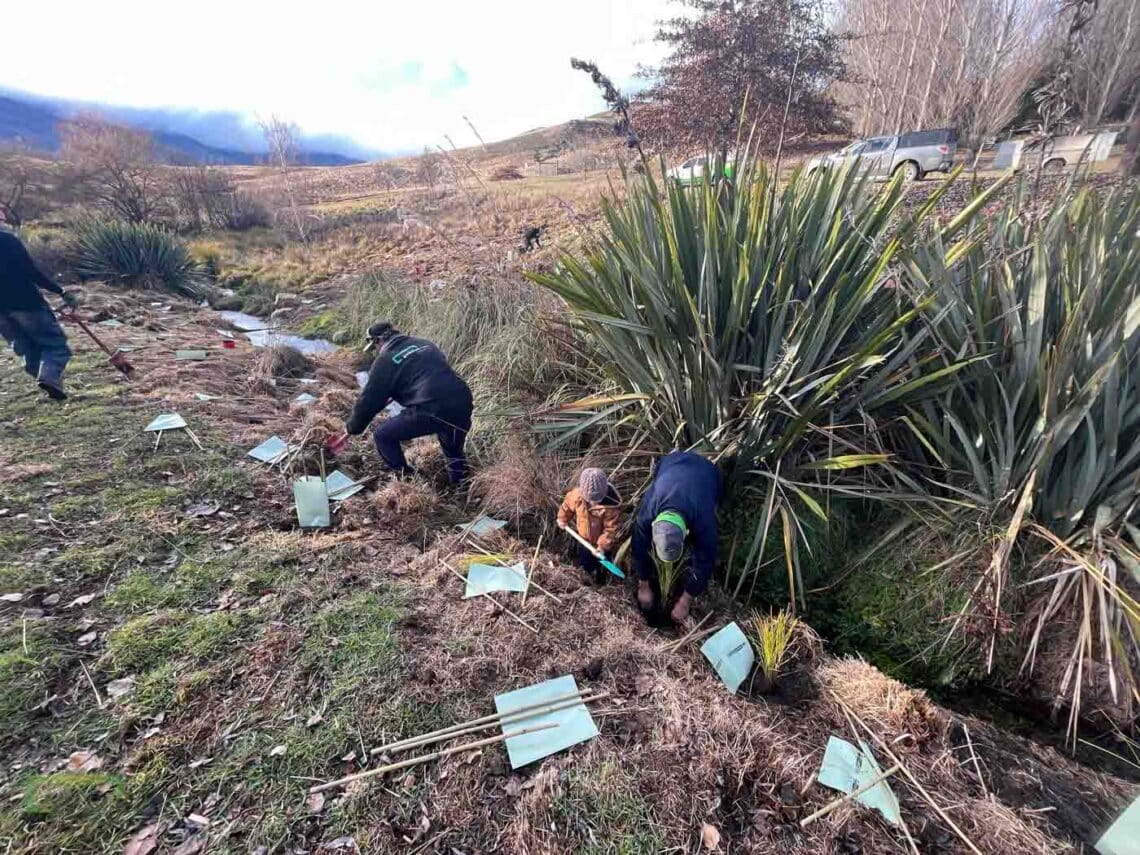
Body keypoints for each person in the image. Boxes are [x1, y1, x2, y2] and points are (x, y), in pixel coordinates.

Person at [343, 322, 474, 484]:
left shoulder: (385, 361)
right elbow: (430, 373)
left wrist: (353, 427)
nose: (376, 351)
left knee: (383, 436)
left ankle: (408, 481)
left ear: (378, 341)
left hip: (431, 407)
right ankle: (462, 486)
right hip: (462, 399)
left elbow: (368, 401)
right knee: (453, 448)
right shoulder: (425, 344)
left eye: (374, 347)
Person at [630, 450, 721, 621]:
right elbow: (639, 547)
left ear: (687, 532)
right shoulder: (648, 511)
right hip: (671, 461)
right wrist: (643, 585)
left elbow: (705, 561)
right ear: (653, 525)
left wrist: (685, 601)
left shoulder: (704, 521)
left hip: (707, 472)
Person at [0, 226, 77, 400]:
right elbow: (30, 271)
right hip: (25, 302)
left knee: (26, 348)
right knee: (55, 346)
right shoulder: (7, 240)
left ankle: (50, 386)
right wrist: (60, 291)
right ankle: (50, 379)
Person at [557, 467, 622, 585]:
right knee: (585, 564)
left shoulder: (610, 508)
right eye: (590, 500)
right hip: (583, 540)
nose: (594, 503)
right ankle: (585, 582)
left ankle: (602, 580)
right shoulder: (576, 496)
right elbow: (567, 506)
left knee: (602, 563)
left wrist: (602, 546)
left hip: (601, 544)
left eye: (598, 499)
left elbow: (611, 530)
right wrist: (562, 518)